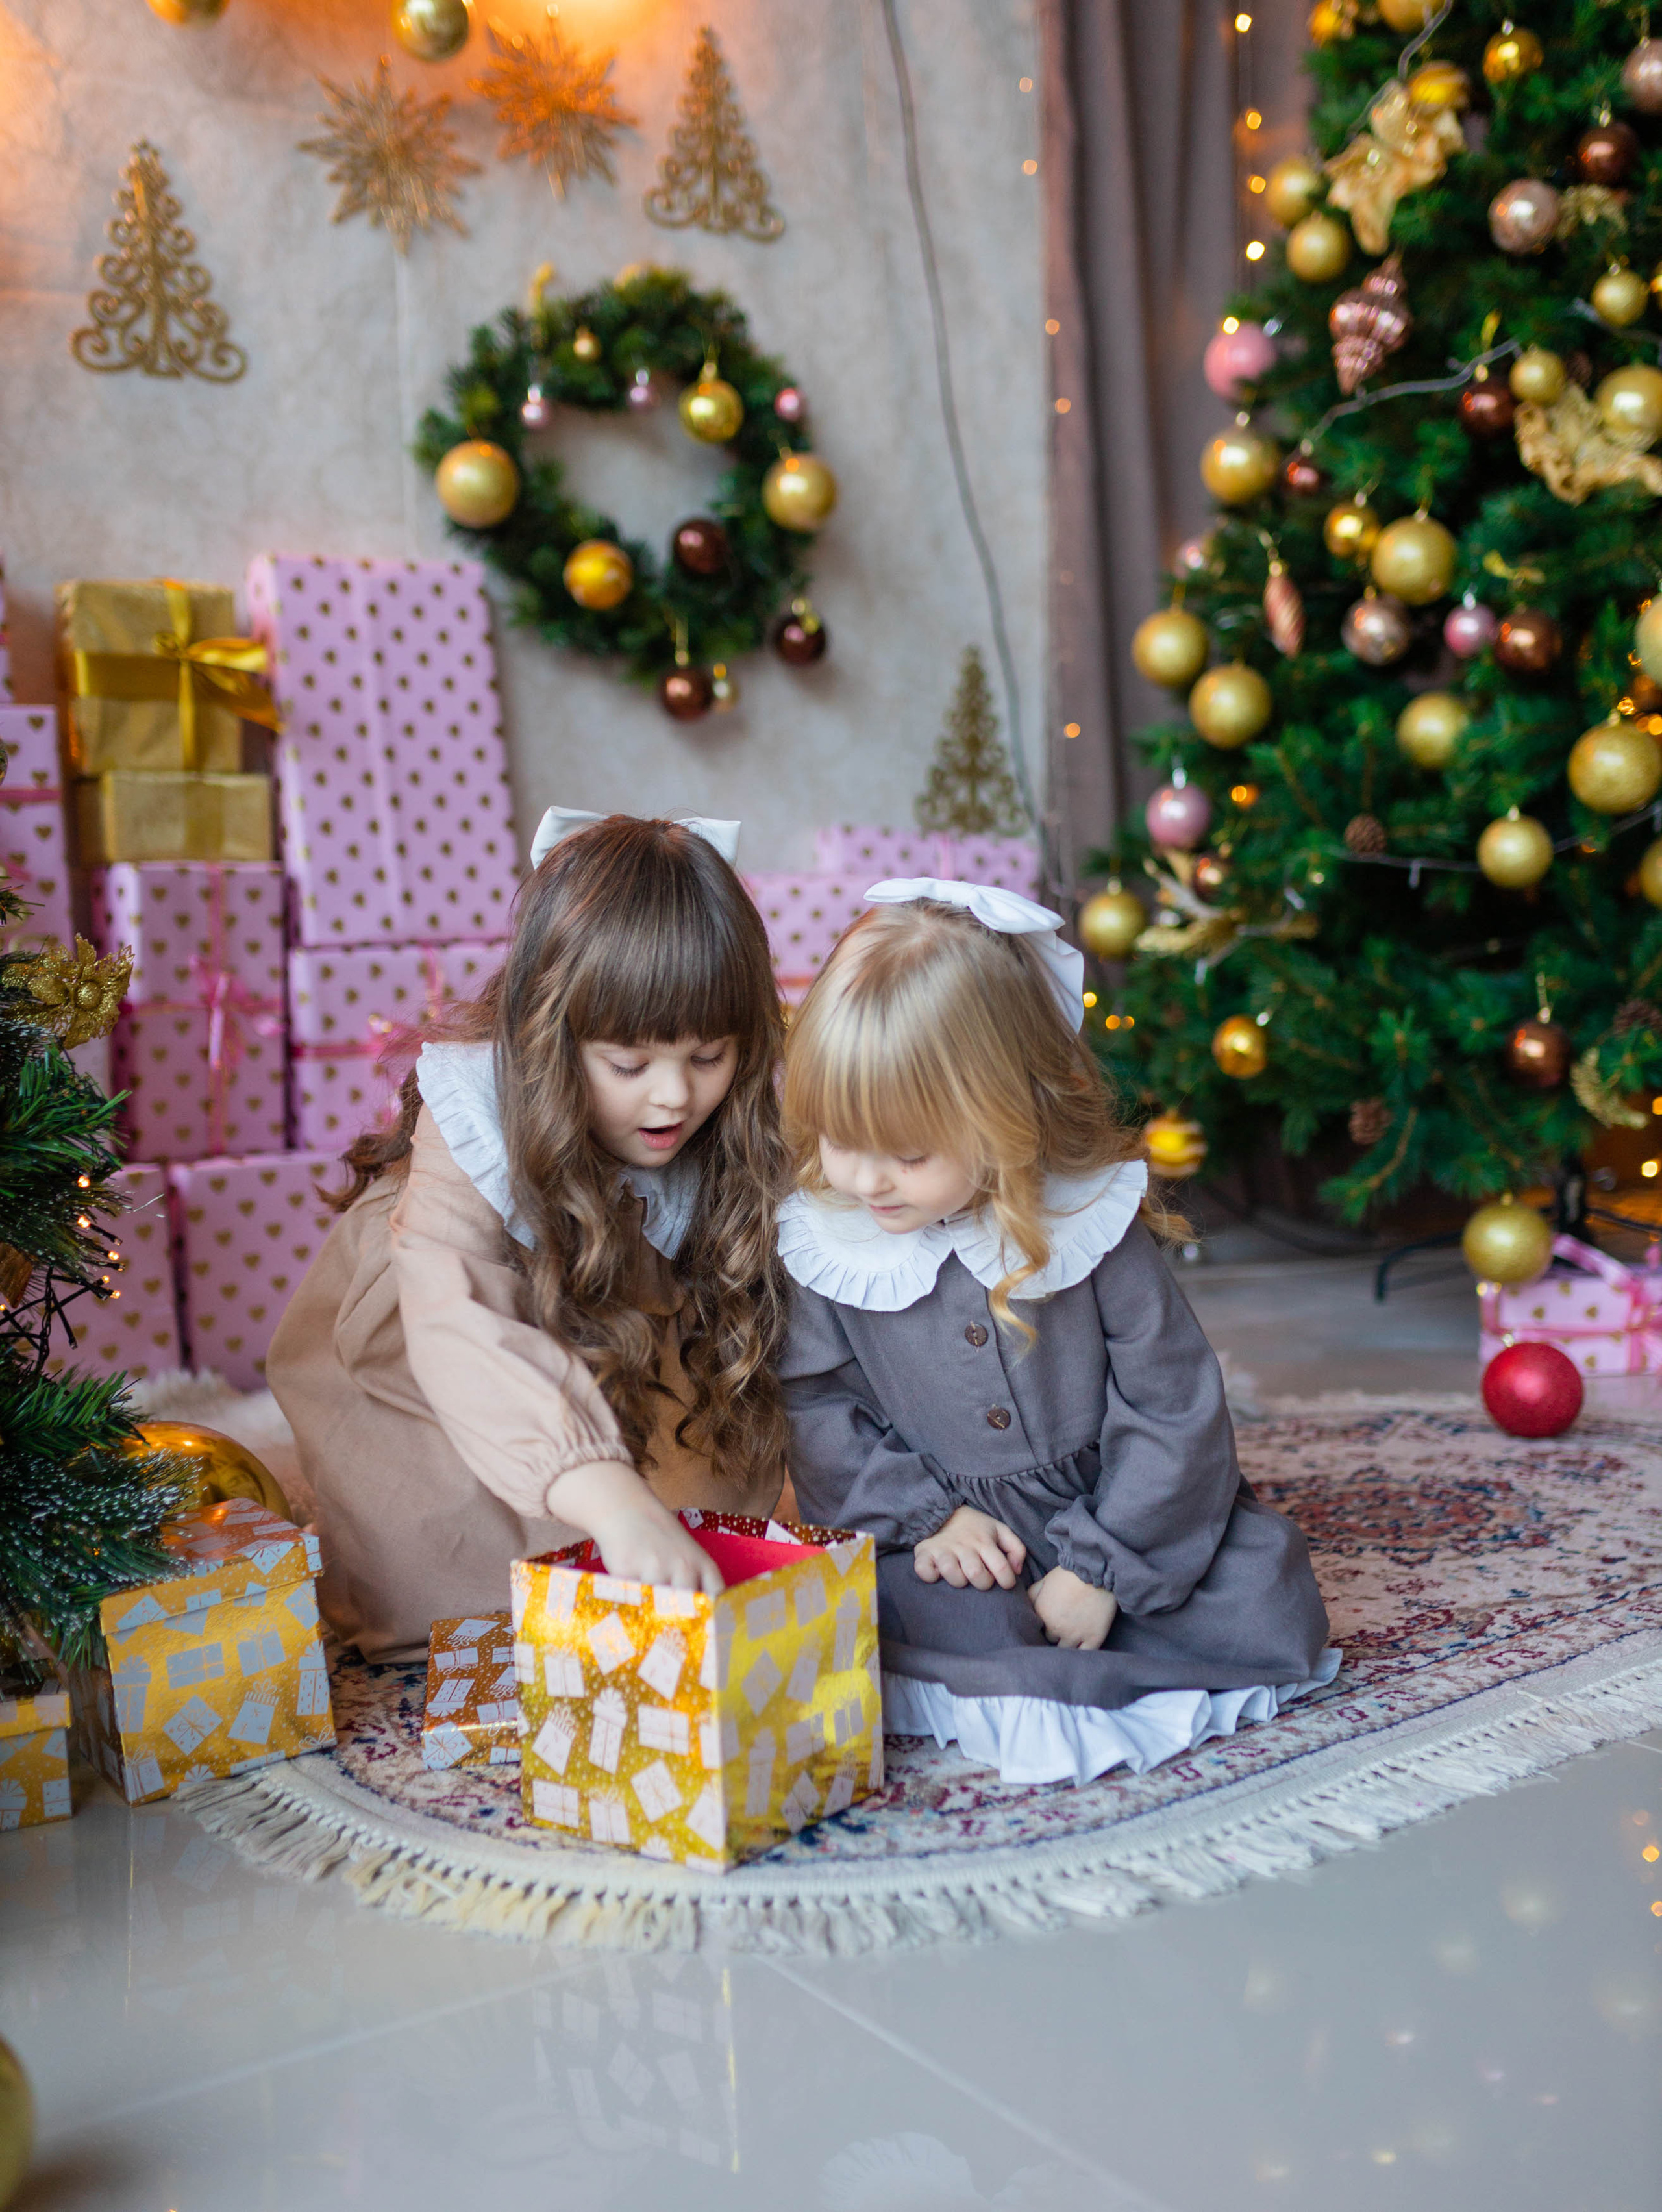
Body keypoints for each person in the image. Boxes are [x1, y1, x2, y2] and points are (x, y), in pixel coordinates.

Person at [776, 879, 1336, 1785]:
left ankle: (1092, 1625)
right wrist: (929, 1519)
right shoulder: (830, 1243)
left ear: (1005, 1117)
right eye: (841, 1141)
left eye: (908, 1154)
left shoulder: (1091, 1227)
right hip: (954, 1538)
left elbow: (1175, 1407)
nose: (866, 1181)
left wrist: (1106, 1565)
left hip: (1120, 1509)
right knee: (908, 1609)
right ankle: (1019, 1669)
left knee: (1260, 1589)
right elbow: (818, 1410)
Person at [267, 812, 791, 1663]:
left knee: (687, 1552)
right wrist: (606, 1491)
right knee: (457, 1588)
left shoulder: (733, 1113)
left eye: (708, 1058)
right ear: (550, 1033)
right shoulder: (476, 1107)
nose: (673, 1098)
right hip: (456, 1360)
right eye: (629, 1066)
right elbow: (459, 1320)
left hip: (624, 1341)